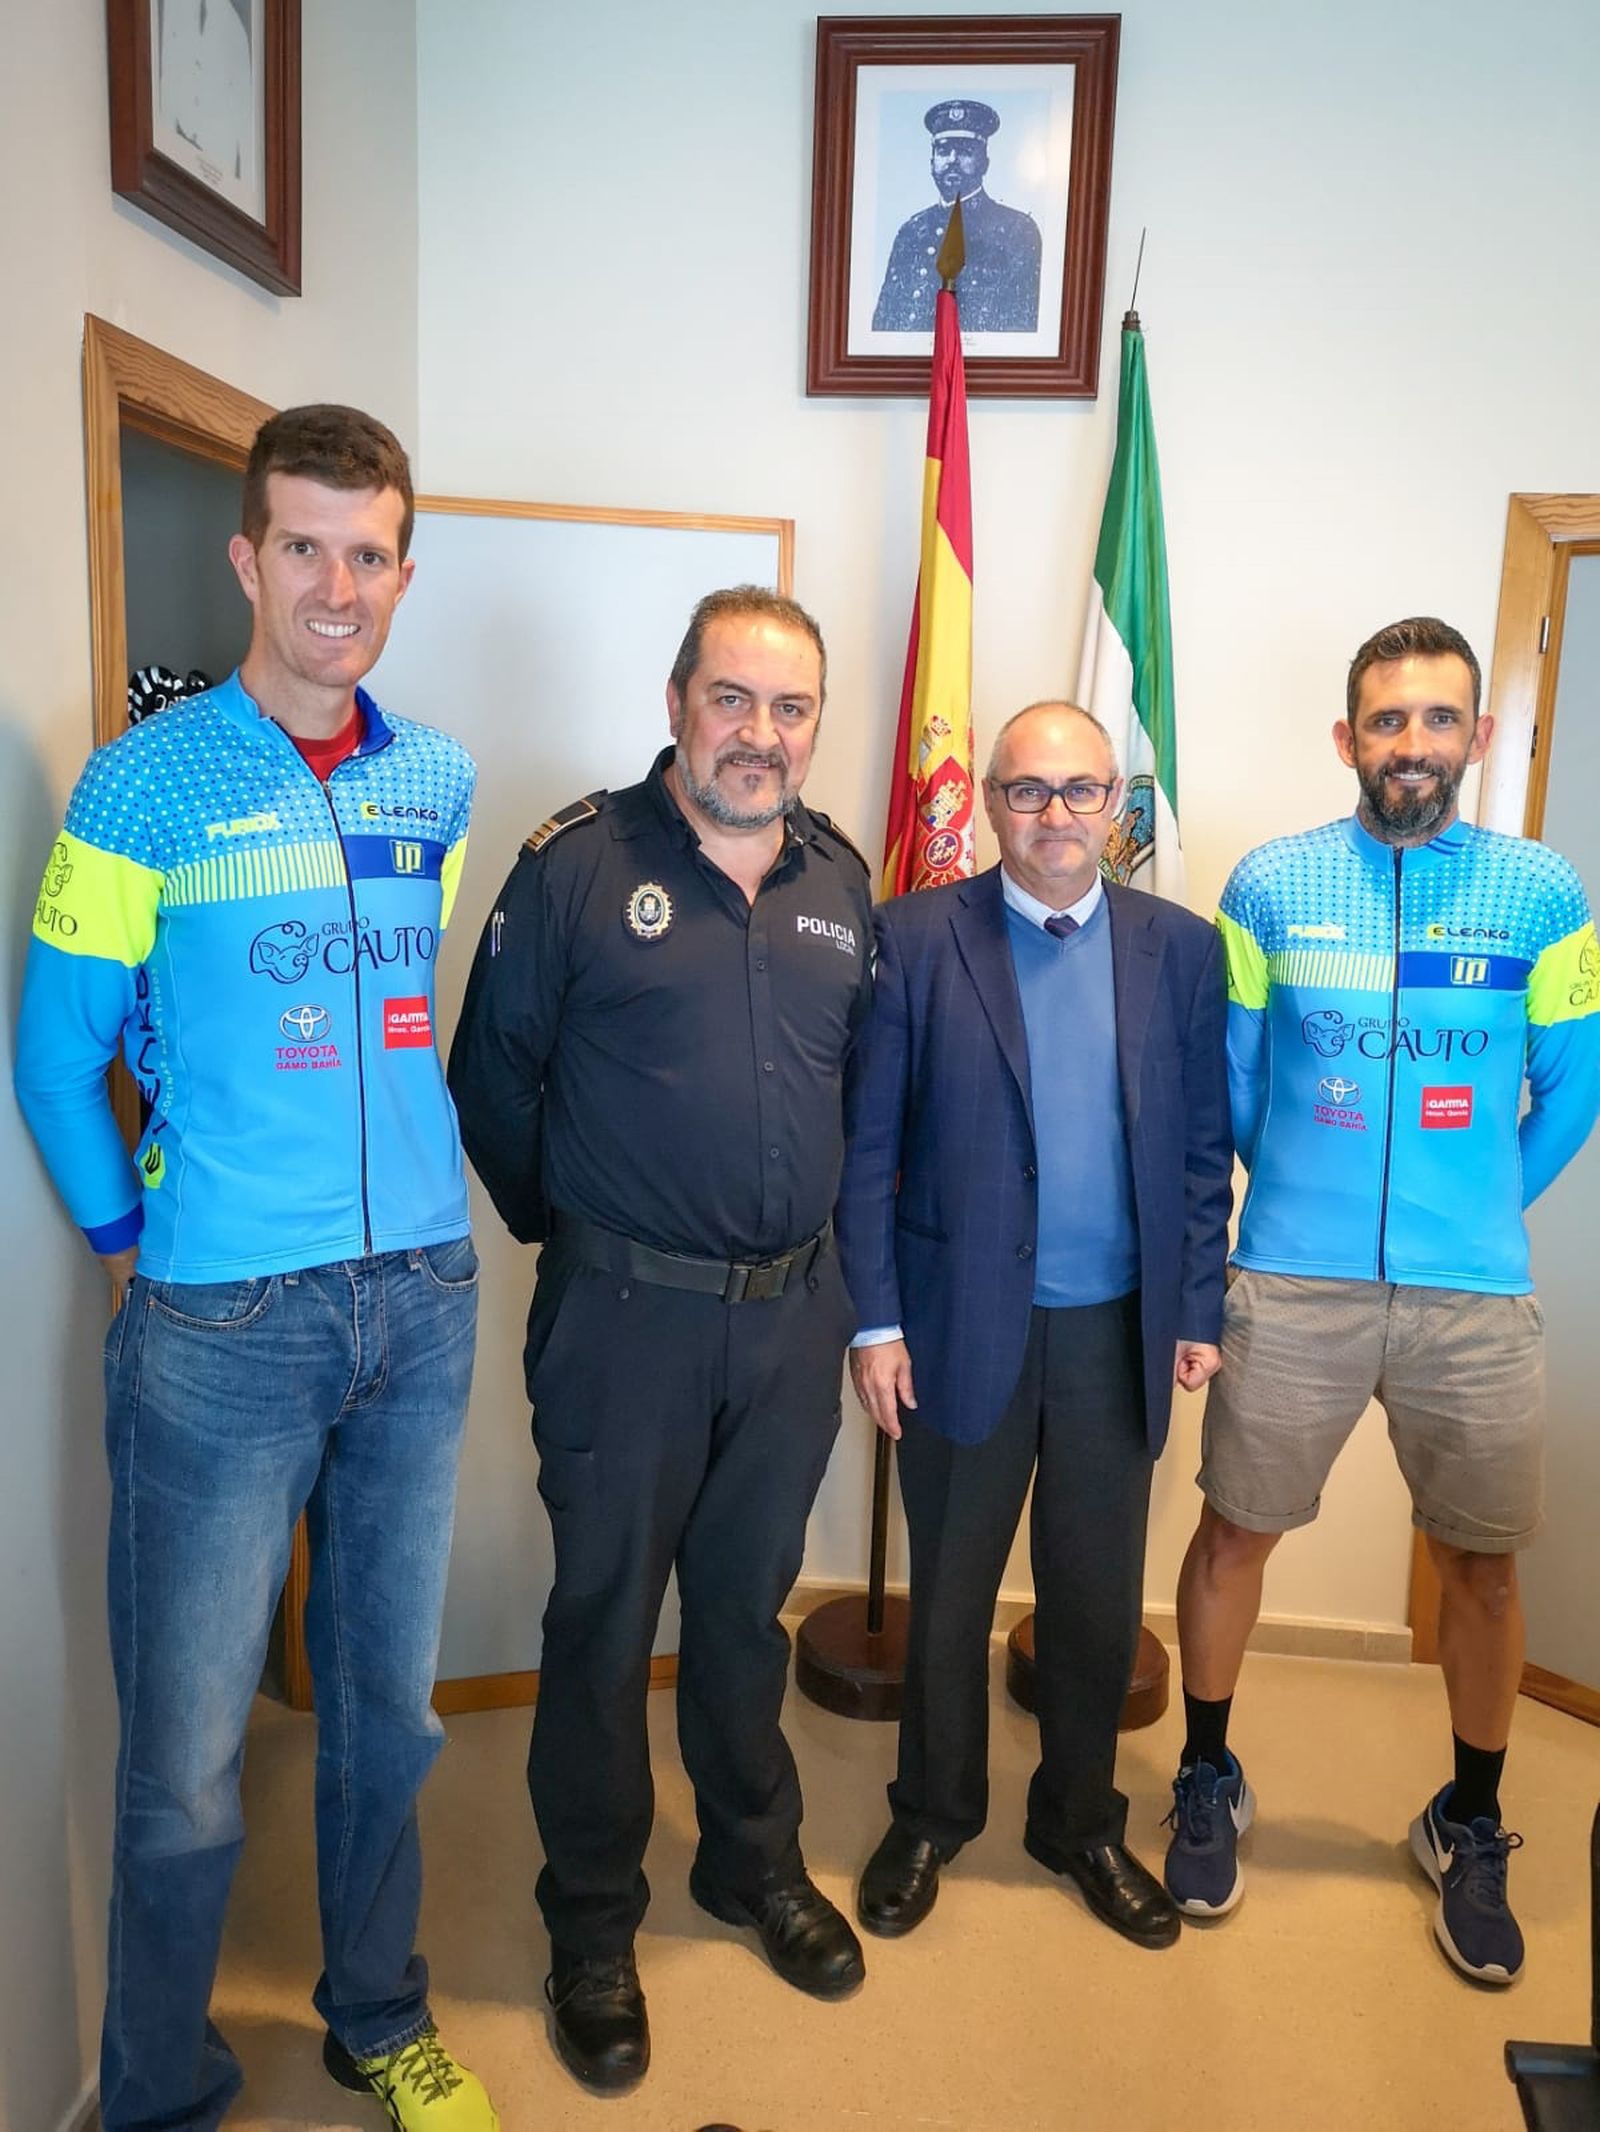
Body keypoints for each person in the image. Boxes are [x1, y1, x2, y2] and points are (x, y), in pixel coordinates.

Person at [15, 406, 498, 2130]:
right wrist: (130, 1249)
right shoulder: (141, 783)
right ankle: (159, 2086)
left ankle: (379, 2013)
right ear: (247, 558)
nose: (336, 587)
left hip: (420, 1297)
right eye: (305, 546)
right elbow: (55, 1057)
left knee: (390, 1710)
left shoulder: (436, 779)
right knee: (187, 1756)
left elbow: (399, 1013)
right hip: (221, 1321)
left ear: (403, 573)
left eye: (369, 554)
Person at [448, 585, 874, 2095]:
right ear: (678, 700)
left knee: (745, 1612)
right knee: (605, 1619)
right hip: (623, 1320)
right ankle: (590, 1923)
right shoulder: (575, 865)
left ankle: (749, 1861)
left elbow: (856, 1097)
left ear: (814, 725)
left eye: (789, 706)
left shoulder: (842, 882)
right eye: (731, 698)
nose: (760, 733)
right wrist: (585, 1234)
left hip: (791, 1324)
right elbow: (490, 1083)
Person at [1162, 616, 1600, 1986]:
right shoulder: (1270, 883)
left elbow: (1572, 1088)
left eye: (1439, 717)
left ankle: (1468, 1817)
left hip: (1473, 1297)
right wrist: (1302, 1188)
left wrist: (1472, 1209)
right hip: (1292, 1274)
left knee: (1483, 1566)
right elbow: (1235, 1080)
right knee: (1235, 1533)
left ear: (1477, 734)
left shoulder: (1544, 891)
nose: (1413, 742)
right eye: (1389, 719)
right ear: (1348, 737)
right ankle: (1206, 1773)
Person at [837, 702, 1232, 1951]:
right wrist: (874, 1321)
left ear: (1116, 803)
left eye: (1078, 790)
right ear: (991, 802)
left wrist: (1197, 1304)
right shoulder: (914, 937)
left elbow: (1199, 1148)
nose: (1053, 814)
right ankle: (931, 1813)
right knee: (950, 1594)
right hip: (958, 1324)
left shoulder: (1180, 947)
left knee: (1096, 1600)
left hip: (1118, 1331)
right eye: (1026, 789)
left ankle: (1079, 1823)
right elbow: (867, 1150)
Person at [872, 99, 1043, 333]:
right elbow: (884, 323)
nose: (952, 160)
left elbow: (1023, 329)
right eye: (943, 151)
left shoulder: (1018, 231)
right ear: (932, 162)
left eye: (965, 151)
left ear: (984, 163)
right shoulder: (911, 232)